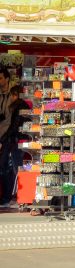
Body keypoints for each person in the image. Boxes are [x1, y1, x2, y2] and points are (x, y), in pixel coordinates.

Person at [0, 69, 28, 208]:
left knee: (16, 169)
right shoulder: (20, 106)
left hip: (16, 141)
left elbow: (14, 125)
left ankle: (17, 198)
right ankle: (16, 198)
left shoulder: (18, 107)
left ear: (15, 95)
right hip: (17, 140)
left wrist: (3, 139)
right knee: (15, 169)